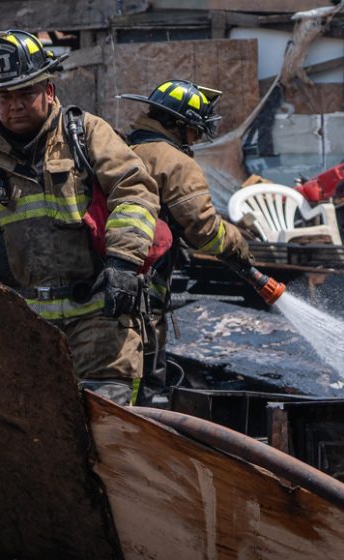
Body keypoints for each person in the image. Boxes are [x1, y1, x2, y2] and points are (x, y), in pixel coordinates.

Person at [0, 30, 162, 405]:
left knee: (109, 433)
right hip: (26, 335)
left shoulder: (87, 134)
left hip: (100, 324)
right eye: (4, 96)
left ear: (48, 91)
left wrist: (124, 263)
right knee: (40, 437)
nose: (14, 105)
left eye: (25, 93)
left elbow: (135, 191)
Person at [116, 80, 253, 402]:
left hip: (108, 280)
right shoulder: (175, 162)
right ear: (178, 125)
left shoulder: (121, 149)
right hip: (143, 287)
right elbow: (204, 232)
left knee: (117, 365)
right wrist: (236, 242)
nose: (195, 138)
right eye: (193, 130)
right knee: (143, 372)